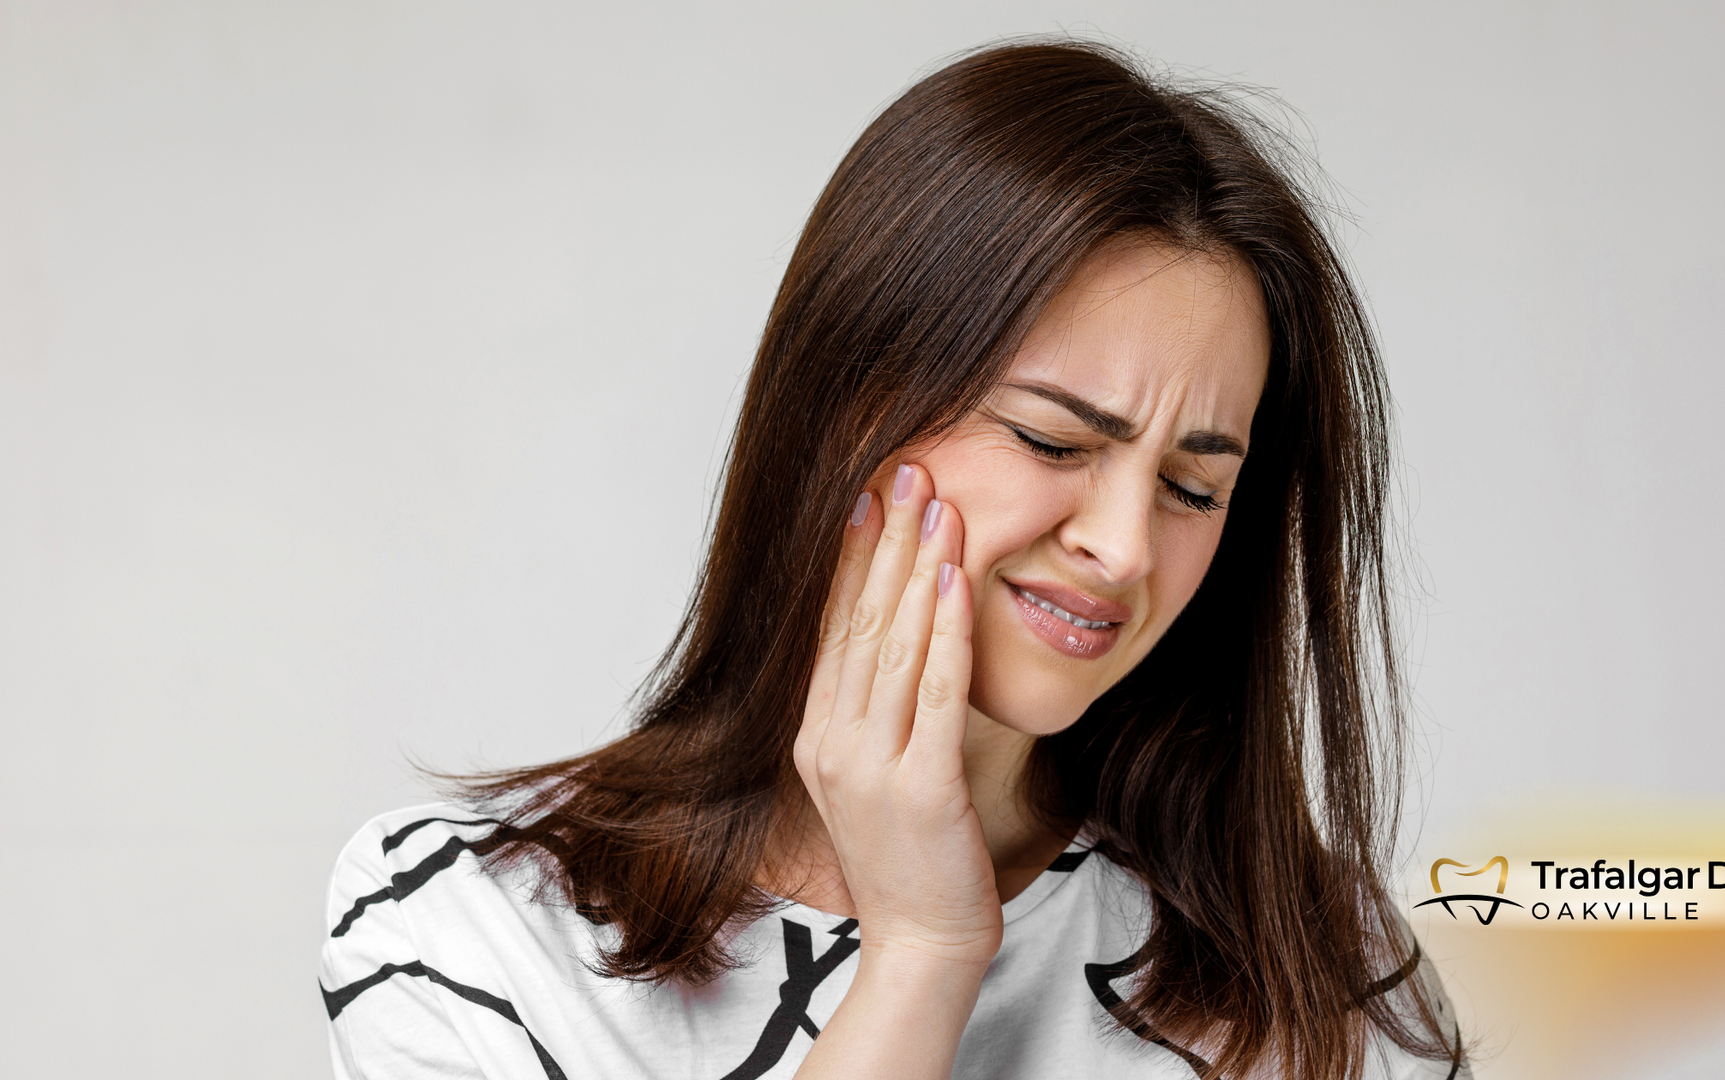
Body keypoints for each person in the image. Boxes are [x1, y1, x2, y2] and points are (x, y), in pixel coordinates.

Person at [320, 39, 1465, 1080]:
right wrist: (924, 950)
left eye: (1190, 487)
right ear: (844, 412)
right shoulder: (472, 931)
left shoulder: (1324, 977)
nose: (1122, 548)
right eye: (1051, 439)